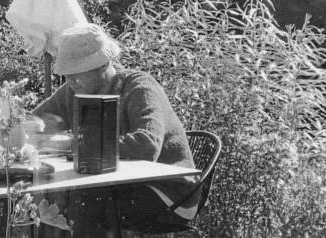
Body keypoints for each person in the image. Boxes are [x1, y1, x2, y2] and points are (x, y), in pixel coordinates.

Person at [30, 23, 200, 237]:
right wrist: (32, 128)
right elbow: (34, 121)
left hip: (169, 192)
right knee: (37, 198)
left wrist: (72, 145)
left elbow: (147, 146)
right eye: (66, 73)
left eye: (77, 71)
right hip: (114, 186)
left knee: (84, 202)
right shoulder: (74, 90)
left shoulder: (138, 87)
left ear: (103, 65)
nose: (69, 79)